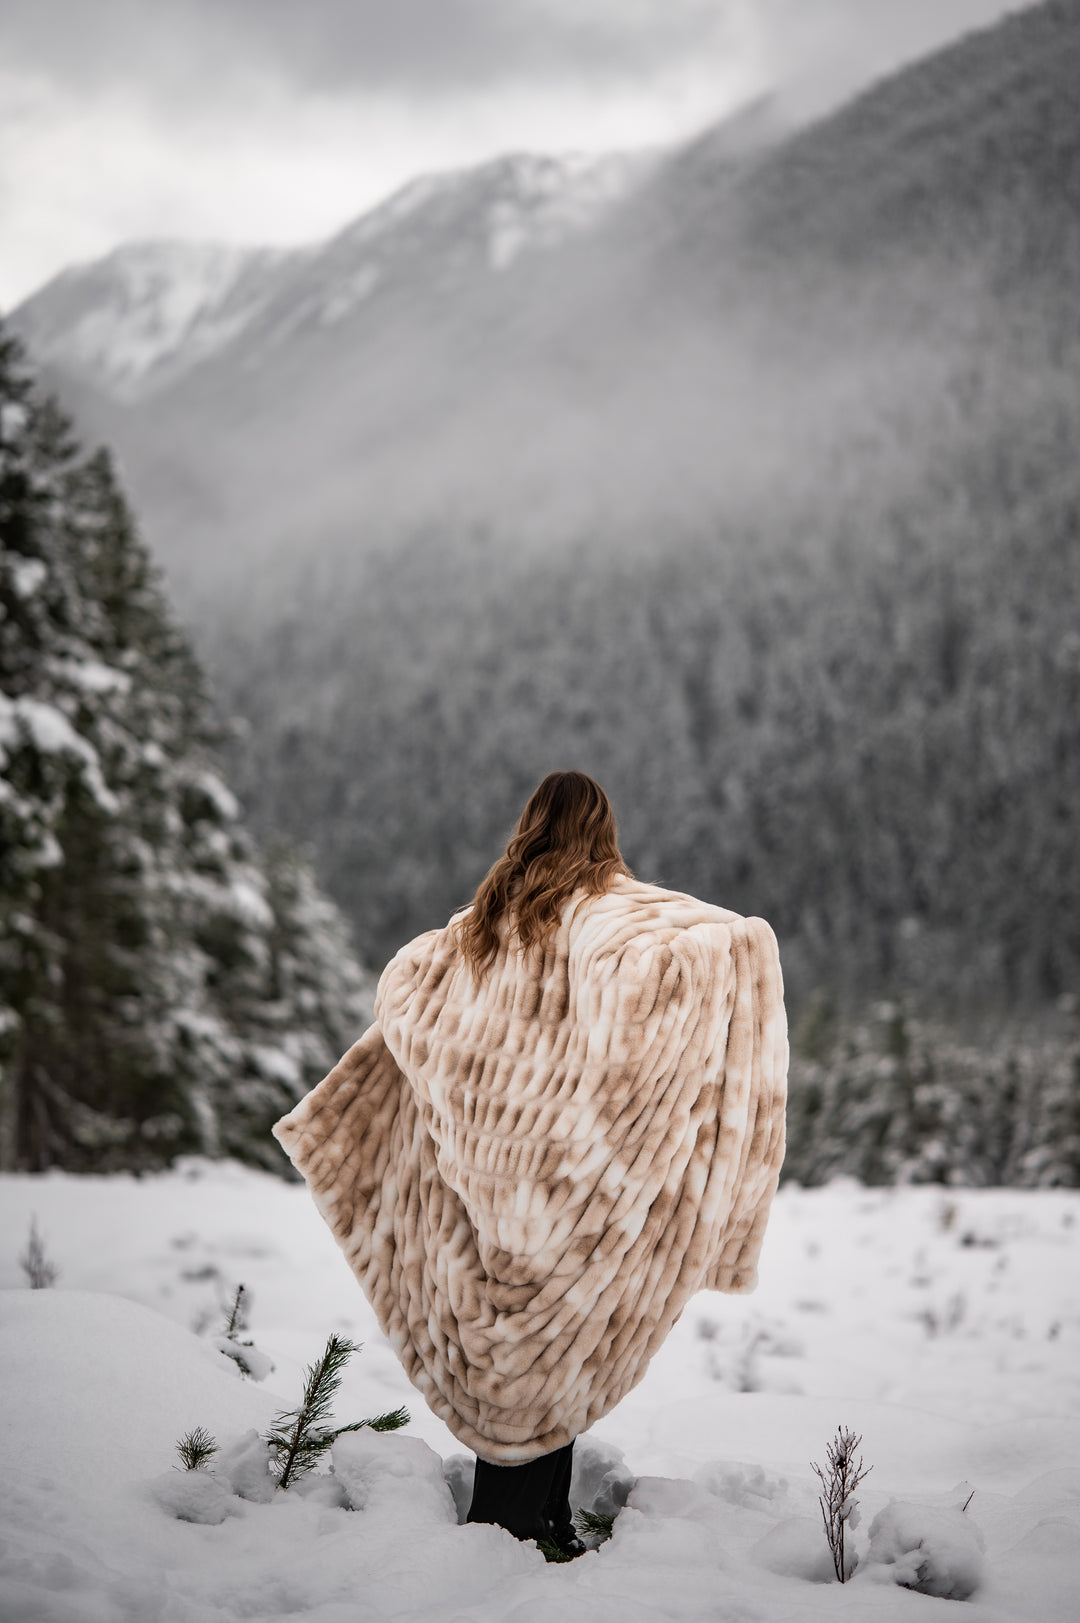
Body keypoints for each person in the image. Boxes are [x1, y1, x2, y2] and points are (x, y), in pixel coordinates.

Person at [273, 770, 787, 1557]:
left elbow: (407, 994)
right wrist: (740, 947)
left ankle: (537, 1520)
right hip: (568, 1180)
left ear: (530, 825)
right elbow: (651, 998)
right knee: (557, 1347)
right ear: (603, 831)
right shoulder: (615, 926)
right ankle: (516, 1529)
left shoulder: (477, 928)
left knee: (513, 1353)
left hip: (483, 1177)